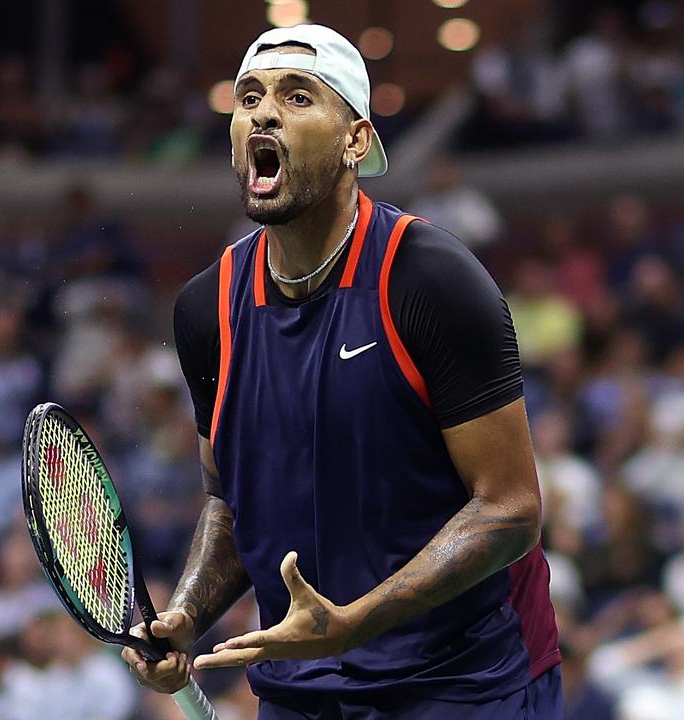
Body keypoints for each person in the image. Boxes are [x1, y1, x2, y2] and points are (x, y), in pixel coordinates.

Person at [121, 23, 559, 719]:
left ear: (356, 140)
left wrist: (357, 622)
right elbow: (231, 505)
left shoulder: (431, 281)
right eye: (249, 97)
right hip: (302, 691)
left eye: (297, 98)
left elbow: (511, 510)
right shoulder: (207, 310)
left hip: (468, 684)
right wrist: (187, 612)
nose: (263, 113)